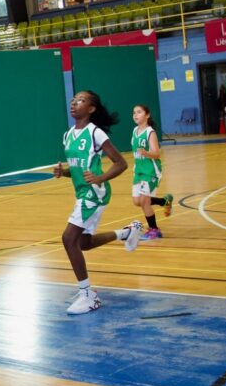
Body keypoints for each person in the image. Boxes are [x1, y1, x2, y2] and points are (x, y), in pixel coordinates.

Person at [54, 91, 144, 315]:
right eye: (74, 99)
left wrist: (100, 178)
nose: (74, 103)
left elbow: (120, 163)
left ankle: (88, 295)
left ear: (91, 109)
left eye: (81, 100)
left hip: (94, 194)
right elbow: (78, 169)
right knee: (83, 243)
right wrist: (64, 172)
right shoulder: (68, 135)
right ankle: (127, 232)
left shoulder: (95, 132)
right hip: (82, 192)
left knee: (68, 238)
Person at [130, 105, 173, 240]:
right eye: (134, 113)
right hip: (139, 171)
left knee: (144, 201)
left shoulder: (150, 132)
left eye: (139, 112)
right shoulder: (135, 131)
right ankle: (164, 201)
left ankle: (154, 230)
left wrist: (146, 153)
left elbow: (156, 154)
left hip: (151, 171)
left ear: (147, 115)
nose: (135, 115)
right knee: (137, 201)